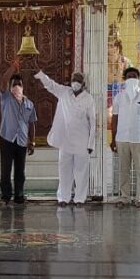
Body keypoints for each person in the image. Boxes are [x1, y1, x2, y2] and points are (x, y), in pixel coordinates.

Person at [35, 69, 96, 207]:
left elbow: (93, 122)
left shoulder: (88, 99)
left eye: (78, 80)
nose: (75, 83)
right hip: (65, 141)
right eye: (74, 80)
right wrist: (40, 74)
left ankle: (80, 199)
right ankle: (63, 198)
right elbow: (50, 85)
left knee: (81, 172)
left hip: (82, 142)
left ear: (83, 83)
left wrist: (91, 144)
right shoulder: (64, 92)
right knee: (64, 171)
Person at [111, 67, 140, 208]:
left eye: (134, 76)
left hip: (139, 139)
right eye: (129, 76)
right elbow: (114, 118)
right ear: (124, 79)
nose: (132, 78)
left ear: (138, 78)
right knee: (123, 170)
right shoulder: (119, 97)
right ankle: (124, 198)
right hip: (122, 138)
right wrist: (113, 139)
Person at [0, 66, 37, 205]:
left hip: (22, 140)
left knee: (20, 170)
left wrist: (32, 141)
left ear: (23, 87)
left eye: (19, 84)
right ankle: (5, 196)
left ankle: (19, 195)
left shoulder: (29, 104)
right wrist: (12, 68)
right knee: (6, 169)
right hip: (7, 138)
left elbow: (31, 123)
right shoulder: (6, 98)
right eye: (14, 84)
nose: (16, 86)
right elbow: (3, 81)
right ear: (10, 87)